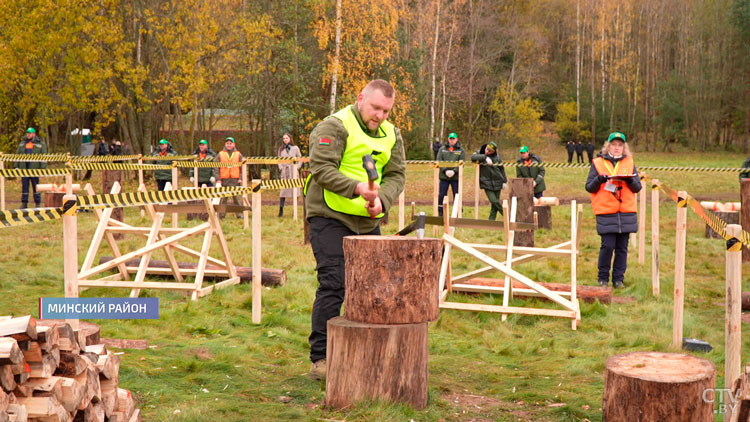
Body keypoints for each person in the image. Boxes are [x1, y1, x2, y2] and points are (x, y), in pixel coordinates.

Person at [305, 79, 405, 380]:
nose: (381, 116)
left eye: (387, 111)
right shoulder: (334, 127)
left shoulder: (392, 133)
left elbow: (397, 174)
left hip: (367, 221)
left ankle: (365, 351)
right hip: (329, 215)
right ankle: (322, 359)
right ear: (361, 99)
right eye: (376, 108)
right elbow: (321, 169)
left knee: (371, 286)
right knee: (335, 282)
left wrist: (383, 201)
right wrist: (358, 188)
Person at [585, 132, 642, 288]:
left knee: (622, 248)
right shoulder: (597, 163)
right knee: (607, 246)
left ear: (624, 147)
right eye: (614, 145)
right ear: (608, 146)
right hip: (606, 211)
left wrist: (630, 180)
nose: (617, 148)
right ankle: (603, 278)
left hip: (626, 211)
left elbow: (638, 187)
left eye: (620, 145)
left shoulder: (630, 162)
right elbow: (589, 187)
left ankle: (618, 280)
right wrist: (600, 179)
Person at [471, 142, 507, 220]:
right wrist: (484, 157)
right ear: (486, 146)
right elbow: (473, 157)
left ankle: (491, 221)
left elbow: (501, 169)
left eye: (490, 151)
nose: (487, 151)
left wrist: (504, 181)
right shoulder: (480, 152)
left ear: (494, 151)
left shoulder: (497, 157)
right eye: (487, 149)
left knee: (494, 205)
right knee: (494, 200)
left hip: (498, 181)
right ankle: (507, 215)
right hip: (486, 182)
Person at [15, 127, 47, 208]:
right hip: (24, 168)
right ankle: (24, 203)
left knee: (36, 186)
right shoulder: (22, 144)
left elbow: (44, 157)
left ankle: (37, 203)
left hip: (34, 169)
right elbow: (17, 156)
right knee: (25, 186)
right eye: (27, 133)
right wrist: (16, 166)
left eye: (30, 133)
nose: (28, 134)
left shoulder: (40, 144)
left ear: (34, 134)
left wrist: (42, 168)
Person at [436, 132, 465, 216]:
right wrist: (445, 170)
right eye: (450, 139)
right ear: (448, 139)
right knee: (442, 194)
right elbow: (439, 161)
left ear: (457, 139)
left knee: (457, 194)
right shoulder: (442, 149)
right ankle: (441, 211)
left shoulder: (461, 150)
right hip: (444, 177)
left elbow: (462, 163)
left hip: (455, 177)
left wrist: (454, 171)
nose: (452, 140)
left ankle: (458, 211)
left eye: (453, 139)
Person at [277, 133, 302, 217]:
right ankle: (281, 210)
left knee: (295, 191)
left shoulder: (295, 148)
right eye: (283, 138)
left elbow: (300, 158)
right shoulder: (281, 149)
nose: (285, 140)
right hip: (285, 173)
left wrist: (297, 167)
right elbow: (279, 160)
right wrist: (281, 168)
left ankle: (294, 210)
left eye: (286, 138)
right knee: (283, 192)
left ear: (290, 139)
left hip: (293, 172)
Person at [218, 137, 243, 217]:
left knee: (237, 198)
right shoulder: (220, 154)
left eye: (230, 143)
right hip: (224, 179)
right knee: (223, 198)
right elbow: (215, 167)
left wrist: (241, 178)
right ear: (225, 144)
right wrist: (218, 179)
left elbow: (243, 167)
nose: (229, 145)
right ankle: (221, 214)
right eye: (227, 143)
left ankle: (239, 214)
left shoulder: (238, 154)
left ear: (234, 144)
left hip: (235, 179)